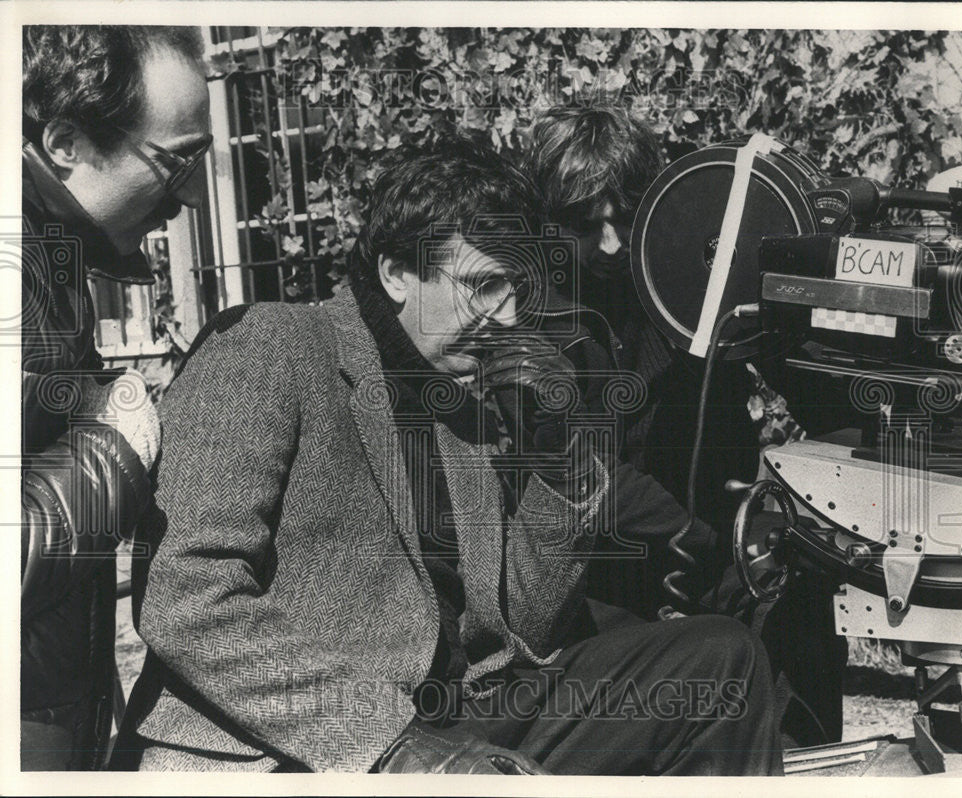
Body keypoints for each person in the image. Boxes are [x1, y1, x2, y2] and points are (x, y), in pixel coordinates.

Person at [112, 139, 783, 775]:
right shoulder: (273, 346)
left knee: (719, 659)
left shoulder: (469, 400)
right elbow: (186, 597)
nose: (509, 313)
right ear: (398, 274)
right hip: (310, 743)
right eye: (485, 285)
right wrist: (388, 746)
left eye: (518, 287)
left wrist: (557, 457)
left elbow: (528, 628)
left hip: (464, 715)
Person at [524, 105, 847, 745]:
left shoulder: (693, 280)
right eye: (586, 226)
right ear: (547, 224)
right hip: (604, 582)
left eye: (627, 216)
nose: (612, 245)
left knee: (806, 631)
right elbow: (584, 474)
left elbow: (802, 376)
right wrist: (701, 541)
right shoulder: (530, 322)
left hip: (726, 553)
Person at [20, 26, 212, 769]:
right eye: (175, 160)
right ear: (66, 140)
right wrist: (116, 445)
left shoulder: (49, 255)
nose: (193, 195)